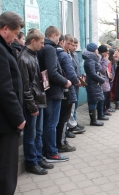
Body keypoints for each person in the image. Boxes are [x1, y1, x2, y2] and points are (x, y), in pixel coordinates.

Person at [0, 11, 26, 195]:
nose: (16, 38)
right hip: (4, 121)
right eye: (16, 33)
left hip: (4, 119)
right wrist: (18, 117)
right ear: (5, 29)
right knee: (5, 170)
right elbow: (2, 88)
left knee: (6, 170)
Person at [17, 28, 54, 175]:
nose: (43, 45)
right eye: (41, 42)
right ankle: (32, 162)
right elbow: (25, 87)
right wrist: (32, 106)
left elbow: (34, 81)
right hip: (33, 102)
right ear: (33, 41)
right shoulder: (23, 58)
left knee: (38, 132)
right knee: (31, 134)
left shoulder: (33, 55)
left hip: (39, 98)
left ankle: (38, 157)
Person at [38, 26, 71, 162]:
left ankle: (47, 150)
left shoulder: (42, 48)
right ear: (54, 35)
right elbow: (52, 72)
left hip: (46, 89)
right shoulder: (50, 48)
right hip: (53, 91)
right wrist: (65, 82)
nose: (59, 39)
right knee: (52, 123)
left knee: (47, 123)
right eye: (59, 36)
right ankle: (51, 152)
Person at [55, 34, 79, 151]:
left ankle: (59, 142)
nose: (69, 46)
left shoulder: (55, 53)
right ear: (62, 42)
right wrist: (76, 81)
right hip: (66, 88)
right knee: (63, 119)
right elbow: (70, 73)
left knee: (59, 118)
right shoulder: (64, 55)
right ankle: (61, 143)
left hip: (59, 89)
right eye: (68, 43)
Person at [82, 42, 106, 126]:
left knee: (94, 100)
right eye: (96, 49)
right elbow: (92, 73)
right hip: (92, 83)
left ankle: (94, 119)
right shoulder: (90, 60)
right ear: (93, 50)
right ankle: (93, 120)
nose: (97, 50)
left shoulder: (92, 59)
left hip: (94, 83)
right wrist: (102, 80)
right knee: (93, 101)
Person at [67, 37, 86, 134]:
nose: (74, 47)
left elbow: (78, 68)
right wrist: (76, 80)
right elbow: (70, 70)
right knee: (71, 106)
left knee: (75, 105)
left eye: (76, 45)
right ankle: (70, 126)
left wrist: (81, 78)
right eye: (73, 45)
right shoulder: (67, 55)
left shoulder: (75, 55)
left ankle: (74, 122)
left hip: (77, 82)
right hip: (72, 83)